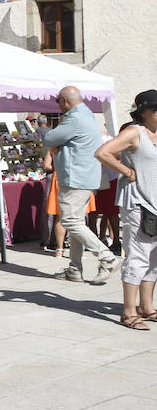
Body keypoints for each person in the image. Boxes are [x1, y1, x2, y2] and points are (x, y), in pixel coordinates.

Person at [96, 90, 157, 330]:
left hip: (155, 202)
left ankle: (147, 307)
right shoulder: (134, 132)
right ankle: (128, 312)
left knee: (154, 259)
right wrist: (127, 172)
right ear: (145, 112)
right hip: (138, 204)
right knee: (138, 257)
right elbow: (103, 153)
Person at [45, 86, 118, 284]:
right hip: (85, 176)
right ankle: (75, 269)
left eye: (58, 101)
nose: (58, 106)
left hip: (76, 177)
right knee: (77, 221)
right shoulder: (86, 115)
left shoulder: (74, 118)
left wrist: (57, 143)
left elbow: (49, 138)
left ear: (65, 101)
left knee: (70, 221)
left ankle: (106, 257)